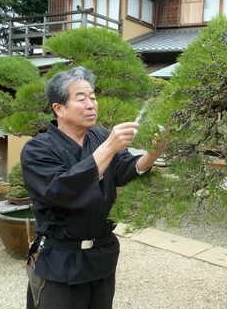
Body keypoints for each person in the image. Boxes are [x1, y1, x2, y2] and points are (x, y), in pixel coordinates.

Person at [21, 66, 164, 309]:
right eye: (81, 98)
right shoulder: (37, 149)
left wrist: (154, 152)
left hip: (102, 255)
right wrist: (109, 148)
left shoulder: (99, 136)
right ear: (59, 108)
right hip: (61, 259)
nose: (91, 104)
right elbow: (61, 190)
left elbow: (125, 169)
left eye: (93, 97)